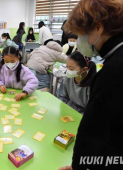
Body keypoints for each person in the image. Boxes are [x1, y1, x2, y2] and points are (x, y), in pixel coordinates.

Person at [59, 0, 123, 169]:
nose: (79, 41)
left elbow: (93, 130)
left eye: (81, 34)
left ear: (98, 27)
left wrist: (79, 165)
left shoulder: (113, 69)